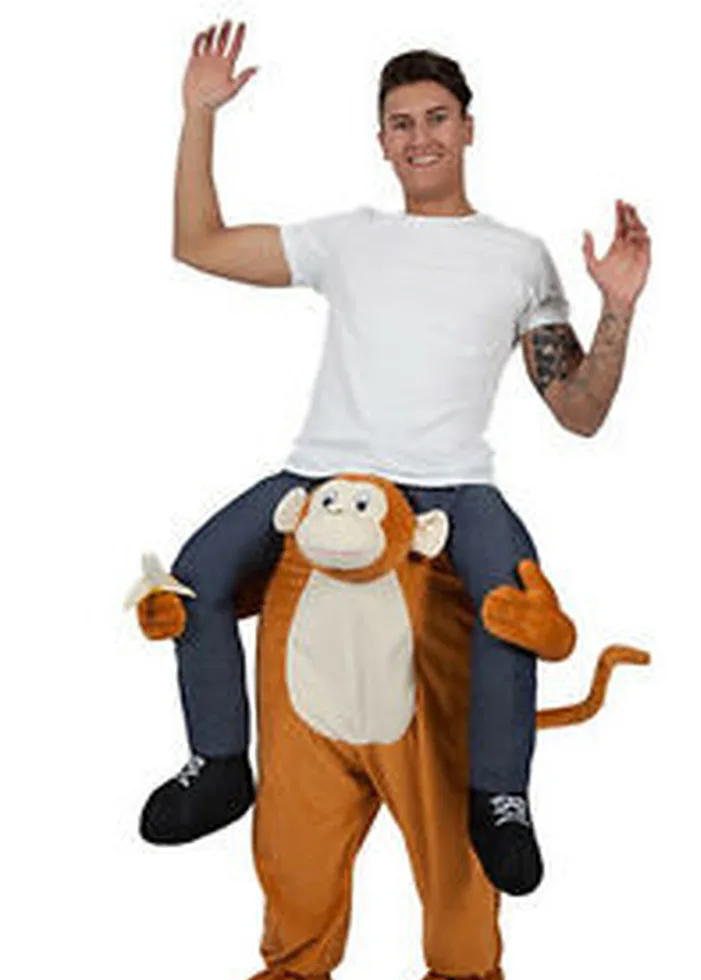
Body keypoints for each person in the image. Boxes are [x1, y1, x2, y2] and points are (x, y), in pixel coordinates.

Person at [138, 20, 651, 896]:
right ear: (381, 141)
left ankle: (500, 795)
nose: (421, 137)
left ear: (468, 128)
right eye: (402, 123)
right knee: (193, 577)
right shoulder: (348, 237)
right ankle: (219, 760)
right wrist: (199, 115)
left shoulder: (519, 257)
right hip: (322, 474)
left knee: (512, 600)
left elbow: (580, 411)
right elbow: (200, 242)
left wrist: (619, 309)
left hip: (453, 481)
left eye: (437, 118)